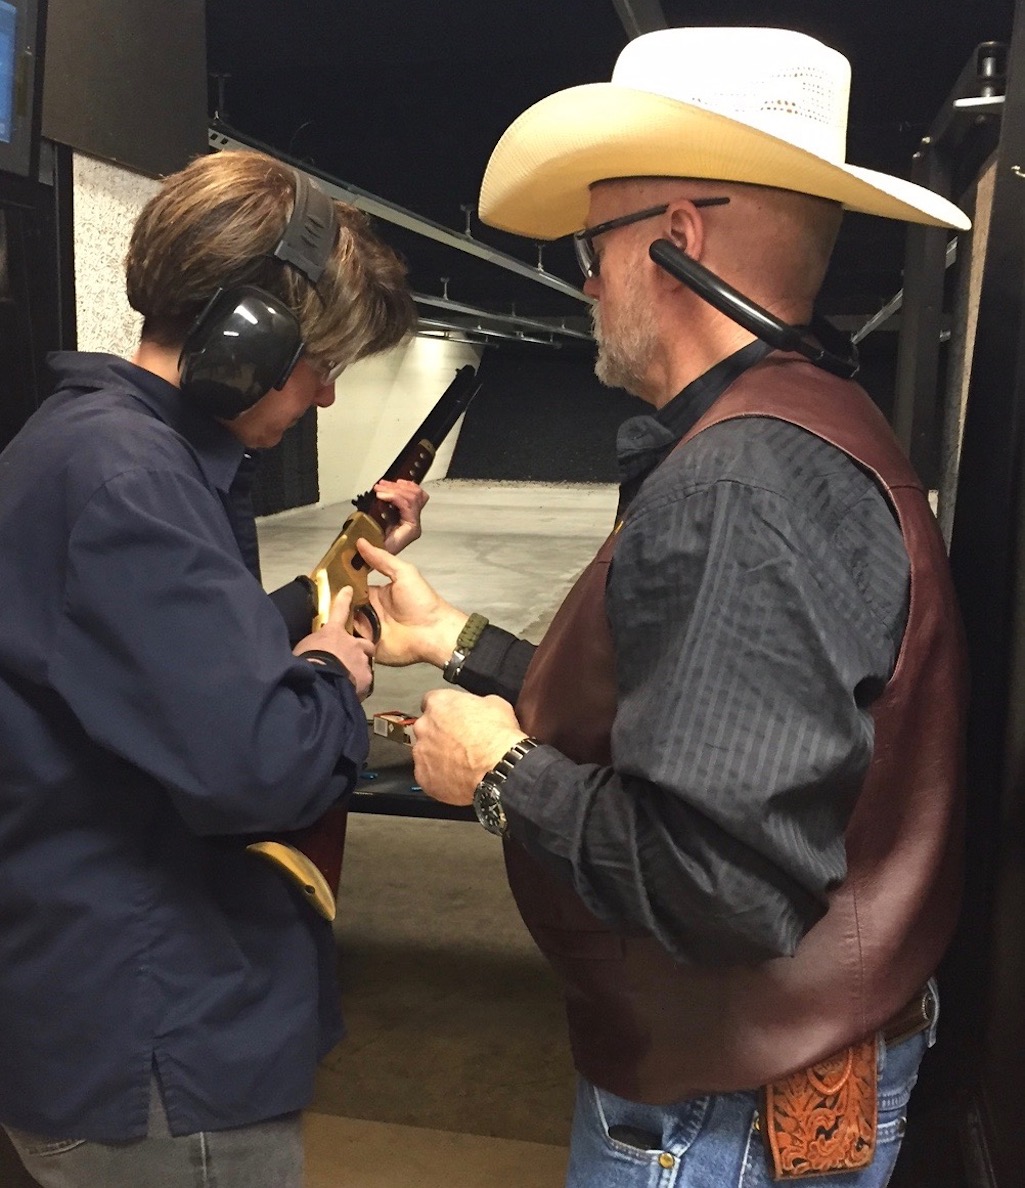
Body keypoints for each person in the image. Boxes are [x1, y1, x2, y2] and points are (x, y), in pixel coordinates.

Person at [356, 26, 970, 1188]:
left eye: (595, 245)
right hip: (753, 1091)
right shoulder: (801, 426)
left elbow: (717, 884)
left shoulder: (740, 483)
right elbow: (695, 717)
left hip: (719, 1120)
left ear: (675, 241)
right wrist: (459, 644)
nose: (583, 281)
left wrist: (495, 770)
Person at [0, 148, 421, 1187]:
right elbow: (259, 763)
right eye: (322, 363)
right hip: (156, 1046)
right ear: (250, 342)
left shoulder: (99, 453)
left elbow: (175, 658)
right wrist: (335, 675)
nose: (325, 396)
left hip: (119, 1015)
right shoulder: (130, 484)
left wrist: (337, 578)